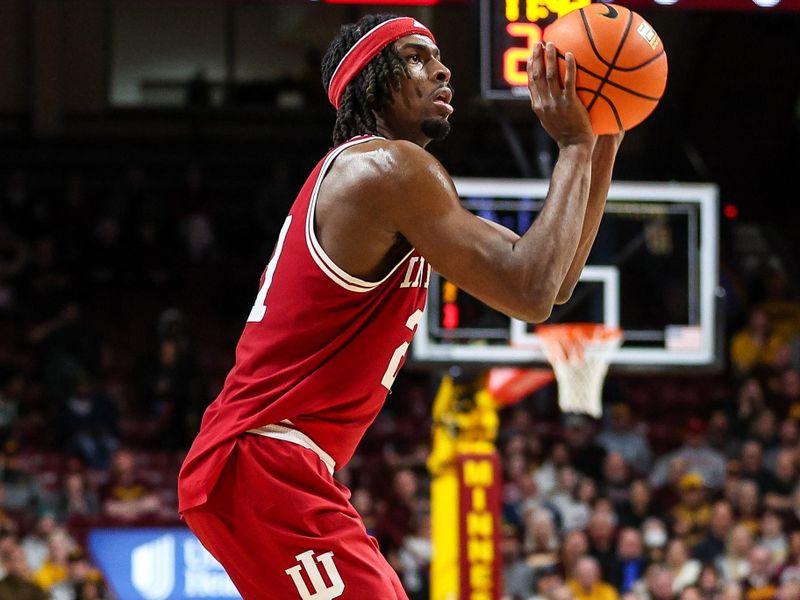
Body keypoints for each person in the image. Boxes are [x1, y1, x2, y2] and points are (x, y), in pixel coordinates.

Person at [178, 13, 622, 599]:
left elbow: (556, 278)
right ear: (370, 81)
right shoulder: (388, 169)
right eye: (415, 58)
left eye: (438, 57)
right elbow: (531, 290)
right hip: (263, 456)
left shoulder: (397, 185)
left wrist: (603, 140)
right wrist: (572, 144)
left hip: (274, 463)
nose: (441, 70)